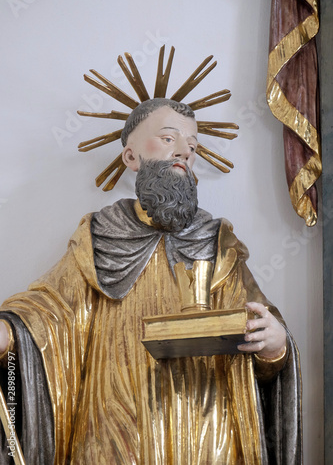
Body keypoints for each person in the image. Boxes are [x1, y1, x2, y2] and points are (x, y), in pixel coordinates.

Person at [0, 98, 302, 464]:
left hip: (206, 432)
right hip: (114, 430)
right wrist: (11, 333)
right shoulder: (98, 236)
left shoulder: (217, 243)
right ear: (130, 157)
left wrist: (274, 345)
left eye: (192, 146)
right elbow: (54, 310)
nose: (184, 152)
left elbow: (254, 323)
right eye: (168, 138)